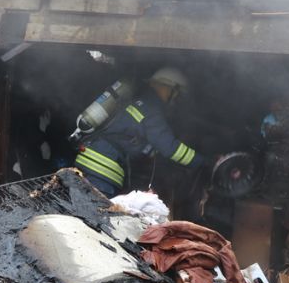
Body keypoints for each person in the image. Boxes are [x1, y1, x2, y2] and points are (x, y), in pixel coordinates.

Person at [74, 67, 208, 196]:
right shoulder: (152, 109)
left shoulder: (139, 101)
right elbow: (171, 148)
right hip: (103, 169)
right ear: (168, 88)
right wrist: (204, 162)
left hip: (90, 156)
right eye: (177, 93)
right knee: (92, 208)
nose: (176, 99)